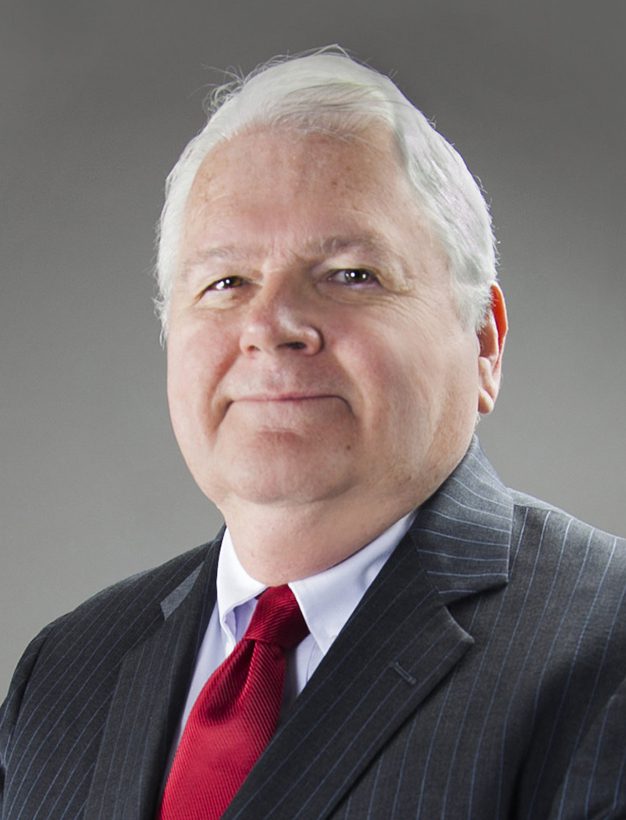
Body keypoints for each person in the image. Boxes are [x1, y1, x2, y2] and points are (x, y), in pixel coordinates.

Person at [1, 48, 625, 820]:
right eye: (225, 282)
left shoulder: (607, 648)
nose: (271, 326)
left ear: (485, 342)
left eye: (351, 274)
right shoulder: (64, 672)